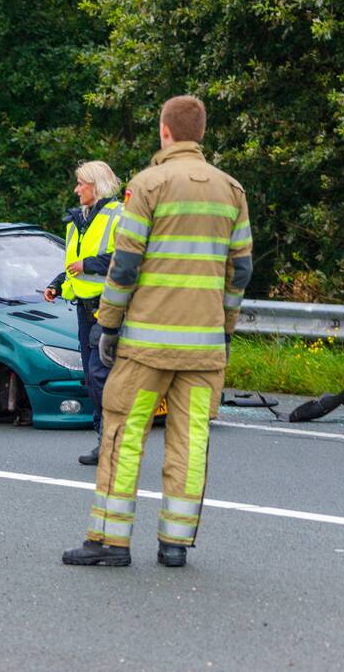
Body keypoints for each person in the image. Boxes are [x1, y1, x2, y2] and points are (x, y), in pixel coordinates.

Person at [62, 95, 253, 568]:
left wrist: (108, 324)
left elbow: (125, 266)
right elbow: (241, 271)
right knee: (189, 443)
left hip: (146, 344)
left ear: (165, 131)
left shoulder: (148, 185)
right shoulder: (232, 190)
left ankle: (110, 542)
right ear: (200, 133)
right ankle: (174, 544)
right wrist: (223, 329)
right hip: (204, 347)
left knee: (123, 435)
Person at [44, 161, 122, 466]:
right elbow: (73, 264)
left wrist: (90, 265)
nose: (76, 190)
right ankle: (104, 441)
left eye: (81, 184)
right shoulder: (76, 221)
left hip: (110, 307)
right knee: (91, 378)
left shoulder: (119, 216)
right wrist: (57, 283)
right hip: (84, 310)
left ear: (96, 185)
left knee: (102, 376)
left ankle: (114, 442)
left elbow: (132, 257)